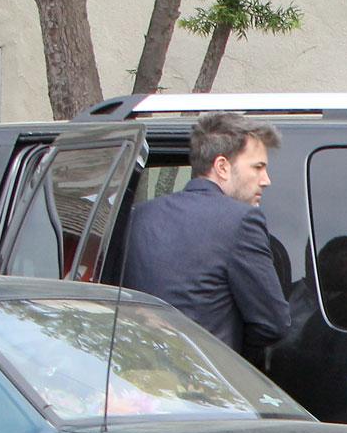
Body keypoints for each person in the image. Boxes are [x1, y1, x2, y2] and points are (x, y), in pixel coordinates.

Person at [123, 111, 290, 353]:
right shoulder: (242, 220)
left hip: (136, 374)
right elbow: (274, 324)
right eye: (258, 167)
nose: (266, 180)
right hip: (204, 376)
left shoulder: (139, 215)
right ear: (222, 166)